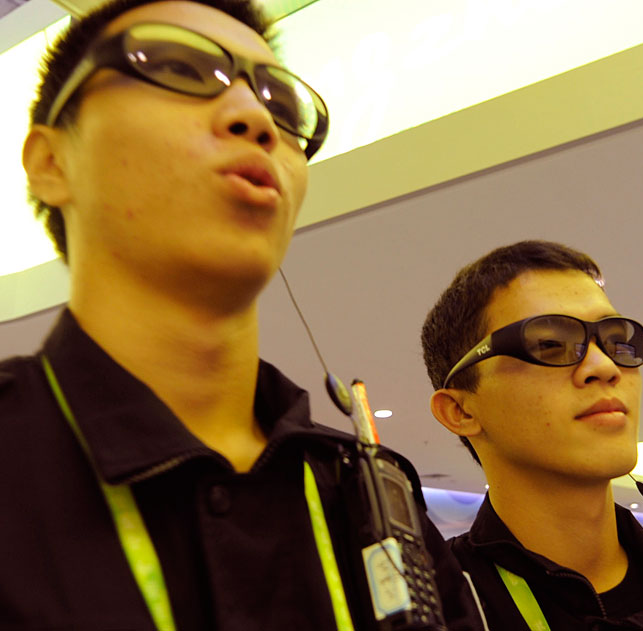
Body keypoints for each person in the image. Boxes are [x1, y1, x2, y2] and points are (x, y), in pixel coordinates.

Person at [2, 1, 481, 629]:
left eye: (281, 108)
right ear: (51, 162)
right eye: (177, 68)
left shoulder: (371, 497)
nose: (256, 118)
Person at [421, 240, 643, 630]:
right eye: (548, 344)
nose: (604, 366)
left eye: (618, 341)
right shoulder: (435, 610)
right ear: (461, 410)